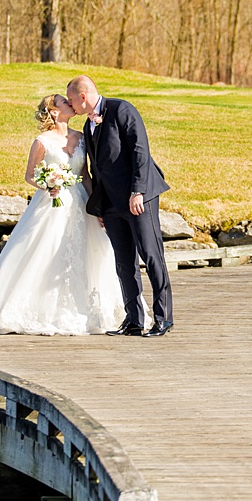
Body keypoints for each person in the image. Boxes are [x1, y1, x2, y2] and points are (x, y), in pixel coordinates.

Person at [0, 94, 127, 335]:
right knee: (46, 252)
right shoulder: (42, 141)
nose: (70, 103)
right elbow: (29, 175)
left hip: (80, 202)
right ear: (54, 112)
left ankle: (90, 311)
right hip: (52, 204)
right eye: (64, 102)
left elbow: (86, 176)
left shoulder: (81, 138)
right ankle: (39, 311)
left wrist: (97, 206)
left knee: (88, 254)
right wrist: (48, 184)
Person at [66, 75, 174, 337]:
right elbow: (97, 169)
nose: (71, 105)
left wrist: (138, 191)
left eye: (71, 100)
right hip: (112, 204)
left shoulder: (122, 110)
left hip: (139, 198)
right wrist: (101, 208)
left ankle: (163, 318)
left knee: (151, 255)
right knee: (124, 263)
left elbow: (140, 151)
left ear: (83, 96)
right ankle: (134, 320)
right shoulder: (88, 124)